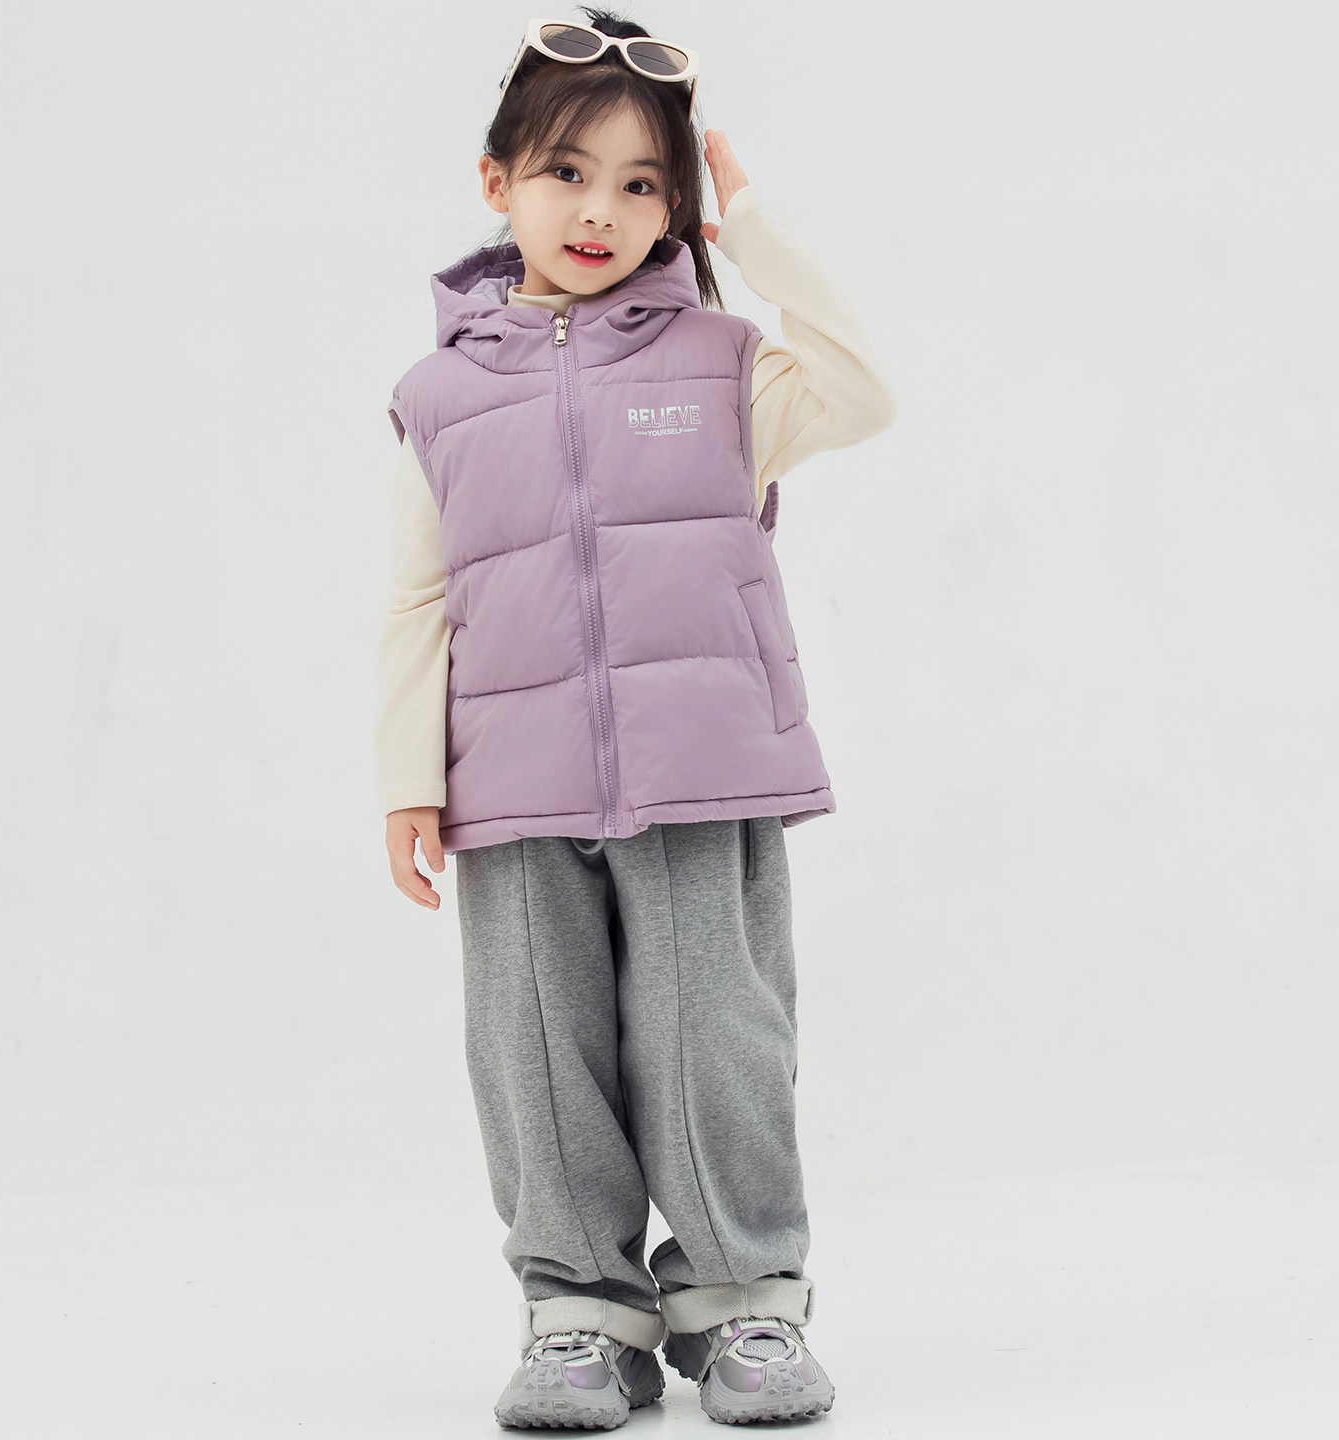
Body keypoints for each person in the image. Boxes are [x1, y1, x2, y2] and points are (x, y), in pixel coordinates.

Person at [378, 8, 897, 1428]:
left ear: (677, 203)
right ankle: (578, 1316)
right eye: (566, 172)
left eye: (640, 182)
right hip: (511, 780)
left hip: (701, 773)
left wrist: (757, 228)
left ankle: (742, 1303)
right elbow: (420, 596)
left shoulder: (724, 366)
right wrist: (408, 777)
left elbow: (864, 392)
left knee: (711, 1035)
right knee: (537, 1049)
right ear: (497, 179)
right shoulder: (436, 398)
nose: (599, 211)